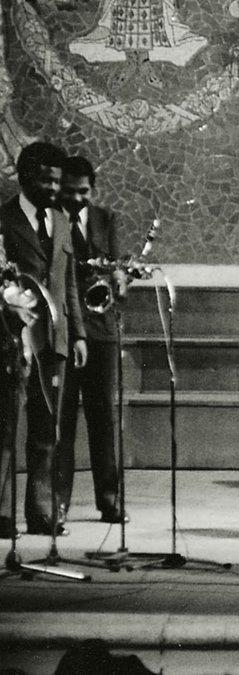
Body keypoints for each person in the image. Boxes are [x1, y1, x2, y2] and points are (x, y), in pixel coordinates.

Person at [0, 141, 87, 538]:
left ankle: (41, 511)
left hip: (56, 340)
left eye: (58, 181)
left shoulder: (63, 221)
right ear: (25, 177)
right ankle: (1, 514)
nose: (54, 188)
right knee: (5, 429)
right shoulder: (4, 220)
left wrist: (80, 334)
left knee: (47, 430)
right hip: (12, 341)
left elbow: (69, 284)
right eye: (47, 180)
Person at [57, 156, 125, 525]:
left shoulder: (105, 220)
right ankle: (58, 505)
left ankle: (110, 501)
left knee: (104, 421)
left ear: (92, 190)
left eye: (83, 192)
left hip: (101, 333)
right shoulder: (52, 221)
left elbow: (116, 269)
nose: (77, 199)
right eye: (70, 192)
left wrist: (119, 281)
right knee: (62, 422)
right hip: (66, 332)